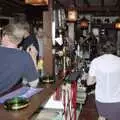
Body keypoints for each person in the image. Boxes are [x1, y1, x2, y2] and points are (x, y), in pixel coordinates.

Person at [0, 22, 39, 95]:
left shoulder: (23, 56)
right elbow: (34, 83)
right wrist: (33, 58)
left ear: (6, 37)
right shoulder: (24, 57)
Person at [87, 39, 120, 120]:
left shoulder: (95, 61)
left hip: (101, 99)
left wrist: (98, 78)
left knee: (101, 117)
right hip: (117, 98)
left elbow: (89, 82)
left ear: (101, 48)